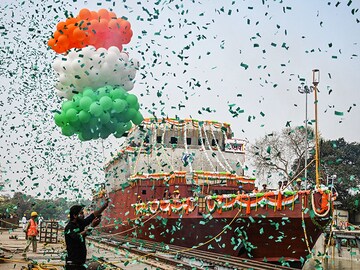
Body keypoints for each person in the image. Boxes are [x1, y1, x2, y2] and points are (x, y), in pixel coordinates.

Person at [64, 198, 109, 269]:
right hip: (73, 265)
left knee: (97, 266)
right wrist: (91, 226)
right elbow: (78, 236)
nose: (83, 215)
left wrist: (104, 206)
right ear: (75, 215)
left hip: (80, 263)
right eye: (81, 213)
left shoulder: (80, 223)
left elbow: (92, 216)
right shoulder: (69, 228)